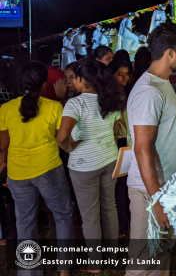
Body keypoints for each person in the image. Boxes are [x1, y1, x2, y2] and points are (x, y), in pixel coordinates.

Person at [125, 22, 176, 276]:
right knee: (142, 263)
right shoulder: (149, 92)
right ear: (170, 53)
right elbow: (142, 149)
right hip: (149, 192)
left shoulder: (163, 83)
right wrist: (156, 201)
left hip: (166, 187)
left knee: (161, 254)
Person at [0, 62, 74, 276]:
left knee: (25, 223)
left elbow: (3, 146)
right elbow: (64, 138)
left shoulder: (6, 109)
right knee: (63, 215)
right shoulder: (54, 107)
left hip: (18, 172)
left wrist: (3, 169)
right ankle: (64, 270)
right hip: (48, 168)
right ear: (44, 85)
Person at [57, 59, 124, 272]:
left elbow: (62, 137)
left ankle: (95, 263)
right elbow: (115, 132)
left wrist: (69, 148)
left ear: (82, 79)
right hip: (109, 158)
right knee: (109, 207)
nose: (71, 81)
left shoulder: (75, 103)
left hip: (84, 165)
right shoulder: (111, 100)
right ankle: (112, 256)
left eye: (73, 77)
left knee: (90, 214)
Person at [108, 58, 133, 239]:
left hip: (128, 143)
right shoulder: (110, 96)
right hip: (119, 143)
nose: (124, 78)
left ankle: (126, 225)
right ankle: (122, 226)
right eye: (120, 74)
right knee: (119, 187)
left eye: (127, 74)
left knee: (125, 185)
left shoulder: (131, 93)